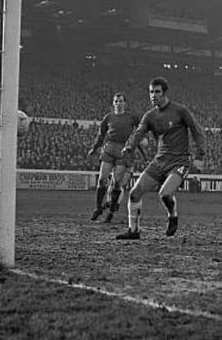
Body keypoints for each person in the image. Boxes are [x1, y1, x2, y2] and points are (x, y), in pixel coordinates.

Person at [116, 76, 205, 240]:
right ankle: (133, 231)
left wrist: (199, 155)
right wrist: (129, 146)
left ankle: (173, 215)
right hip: (159, 162)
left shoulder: (180, 111)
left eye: (157, 92)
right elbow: (138, 134)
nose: (153, 95)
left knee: (164, 194)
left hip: (179, 162)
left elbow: (196, 130)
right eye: (151, 92)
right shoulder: (149, 116)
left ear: (164, 93)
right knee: (135, 193)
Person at [87, 92, 142, 223]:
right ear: (113, 103)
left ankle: (111, 211)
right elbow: (101, 135)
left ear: (125, 103)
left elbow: (142, 128)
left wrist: (139, 140)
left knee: (117, 183)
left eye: (121, 101)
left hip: (123, 151)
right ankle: (98, 208)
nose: (118, 103)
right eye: (116, 101)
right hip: (109, 149)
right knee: (102, 179)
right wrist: (94, 148)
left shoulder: (131, 117)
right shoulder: (108, 118)